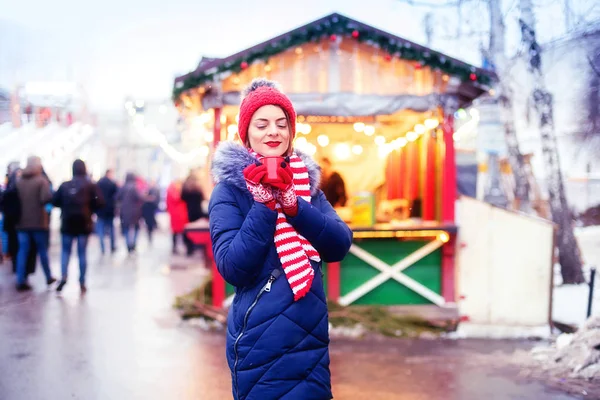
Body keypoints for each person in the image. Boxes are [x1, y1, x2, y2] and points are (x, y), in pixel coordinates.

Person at [209, 78, 352, 400]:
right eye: (262, 124)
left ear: (291, 133)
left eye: (281, 124)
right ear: (246, 134)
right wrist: (264, 205)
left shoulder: (304, 186)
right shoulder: (229, 191)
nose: (273, 131)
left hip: (311, 339)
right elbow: (234, 268)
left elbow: (339, 245)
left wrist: (294, 205)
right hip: (261, 340)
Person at [52, 159, 104, 293]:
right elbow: (100, 202)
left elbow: (55, 201)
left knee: (65, 252)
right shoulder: (90, 185)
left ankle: (63, 277)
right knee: (82, 253)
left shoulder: (65, 185)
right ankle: (82, 281)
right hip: (84, 223)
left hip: (67, 223)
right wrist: (90, 209)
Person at [14, 156, 55, 291]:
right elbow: (46, 199)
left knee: (23, 251)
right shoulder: (41, 181)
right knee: (42, 250)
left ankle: (20, 279)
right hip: (38, 222)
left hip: (21, 222)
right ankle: (48, 276)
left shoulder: (19, 181)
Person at [181, 169, 207, 256]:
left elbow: (182, 197)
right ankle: (198, 246)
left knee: (189, 229)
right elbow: (203, 197)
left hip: (188, 210)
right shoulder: (198, 186)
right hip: (198, 210)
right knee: (198, 229)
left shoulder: (186, 186)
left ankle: (189, 248)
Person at [117, 172, 144, 254]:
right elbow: (140, 197)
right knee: (136, 228)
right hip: (135, 212)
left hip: (125, 211)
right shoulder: (134, 187)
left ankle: (128, 244)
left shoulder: (123, 187)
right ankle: (133, 244)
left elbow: (117, 197)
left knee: (126, 229)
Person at [96, 169, 119, 254]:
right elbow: (117, 195)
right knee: (111, 229)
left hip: (100, 209)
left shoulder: (99, 183)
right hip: (109, 209)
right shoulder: (112, 183)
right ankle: (112, 246)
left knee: (101, 230)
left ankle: (102, 247)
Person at [166, 178, 189, 254]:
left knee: (179, 231)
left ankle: (178, 247)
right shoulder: (173, 190)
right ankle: (178, 247)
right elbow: (177, 198)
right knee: (178, 231)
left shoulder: (172, 189)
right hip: (177, 214)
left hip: (178, 213)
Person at [141, 179, 160, 244]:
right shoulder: (150, 189)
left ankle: (151, 232)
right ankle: (150, 232)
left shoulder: (154, 190)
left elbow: (153, 198)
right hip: (149, 209)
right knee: (150, 223)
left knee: (150, 223)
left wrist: (147, 197)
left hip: (151, 209)